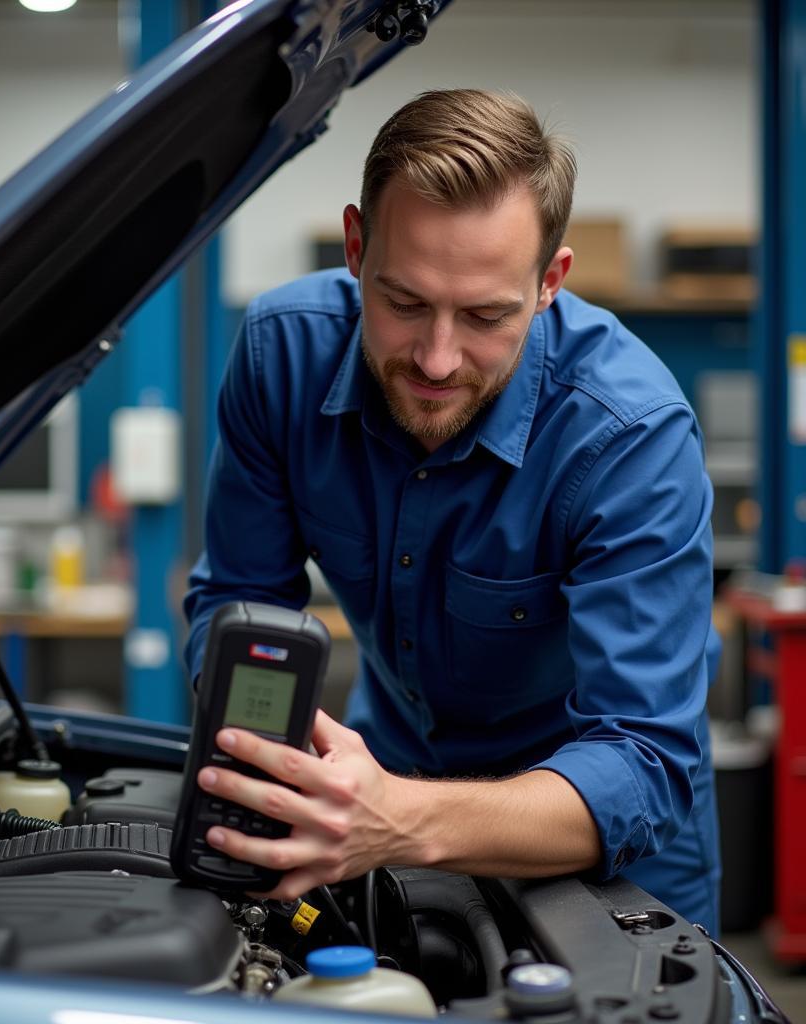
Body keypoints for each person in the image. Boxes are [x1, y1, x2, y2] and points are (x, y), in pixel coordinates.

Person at [183, 89, 721, 934]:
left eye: (484, 316)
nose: (437, 359)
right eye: (403, 303)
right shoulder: (279, 357)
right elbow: (241, 602)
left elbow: (644, 760)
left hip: (605, 851)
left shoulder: (629, 435)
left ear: (549, 284)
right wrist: (270, 763)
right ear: (356, 248)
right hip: (377, 790)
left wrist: (394, 814)